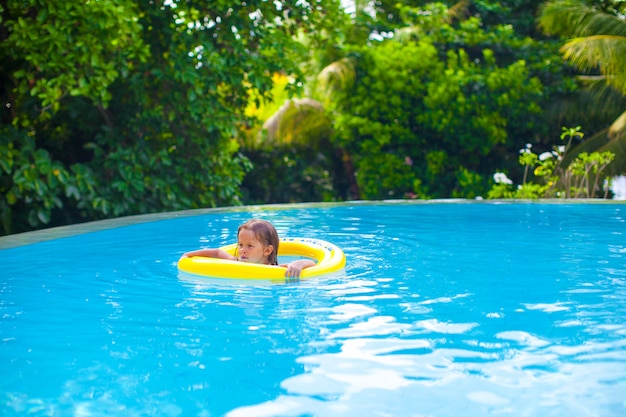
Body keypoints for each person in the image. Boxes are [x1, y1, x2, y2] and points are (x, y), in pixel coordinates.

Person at [182, 219, 315, 278]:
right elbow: (217, 252)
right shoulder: (237, 262)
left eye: (249, 246)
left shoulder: (276, 270)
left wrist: (298, 263)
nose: (242, 250)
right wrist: (189, 255)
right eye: (240, 245)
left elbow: (312, 263)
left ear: (267, 250)